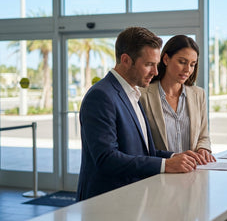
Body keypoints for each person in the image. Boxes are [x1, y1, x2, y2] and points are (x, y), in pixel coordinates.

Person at [77, 27, 207, 201]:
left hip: (131, 199)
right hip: (106, 203)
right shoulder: (101, 96)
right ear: (125, 60)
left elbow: (144, 151)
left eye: (156, 64)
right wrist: (165, 164)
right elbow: (106, 159)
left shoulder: (133, 94)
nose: (155, 72)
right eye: (148, 64)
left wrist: (175, 156)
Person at [140, 35, 215, 162]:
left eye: (192, 64)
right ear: (166, 59)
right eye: (182, 62)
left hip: (192, 172)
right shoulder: (143, 95)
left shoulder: (199, 94)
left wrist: (203, 149)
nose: (188, 70)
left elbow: (203, 136)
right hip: (159, 174)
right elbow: (142, 145)